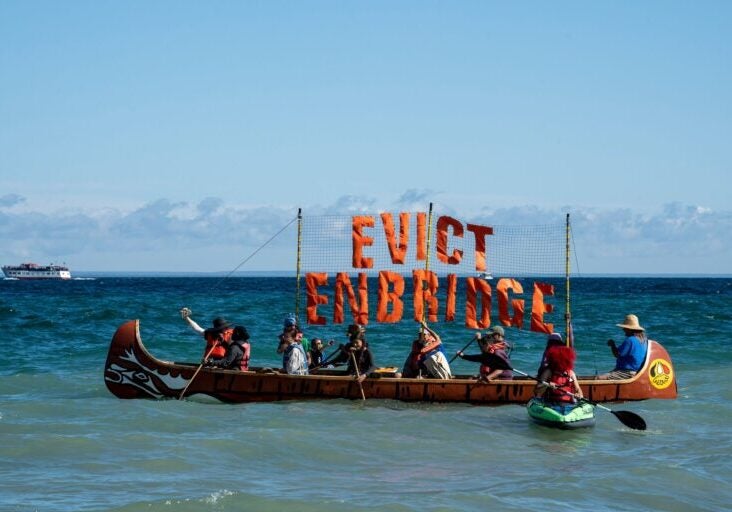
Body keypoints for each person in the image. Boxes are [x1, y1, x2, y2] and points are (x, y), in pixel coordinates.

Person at [599, 314, 648, 379]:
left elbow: (617, 354)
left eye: (625, 328)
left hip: (626, 372)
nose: (623, 329)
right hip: (637, 371)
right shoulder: (644, 340)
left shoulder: (630, 340)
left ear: (630, 329)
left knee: (599, 378)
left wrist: (612, 345)